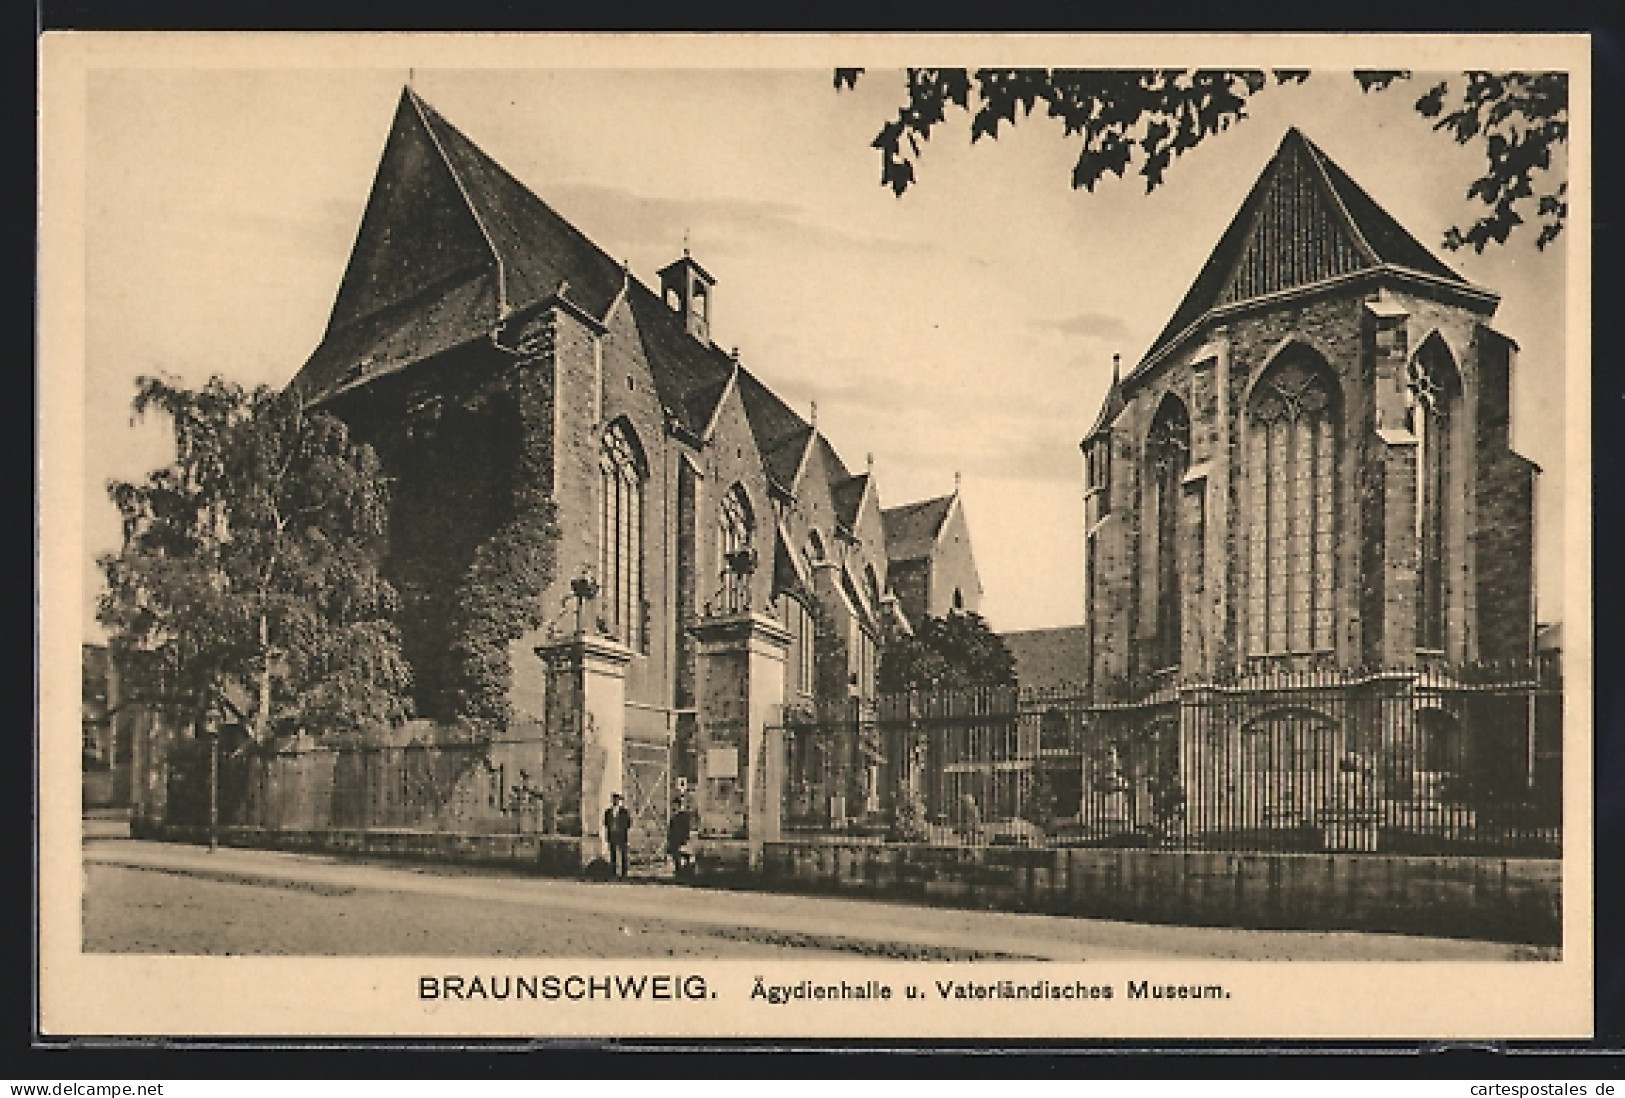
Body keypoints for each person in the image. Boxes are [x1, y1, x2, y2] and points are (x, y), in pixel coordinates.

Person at [603, 792, 632, 879]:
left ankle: (624, 872)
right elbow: (605, 822)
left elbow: (628, 823)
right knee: (613, 854)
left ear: (619, 801)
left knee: (623, 853)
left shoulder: (624, 811)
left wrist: (622, 829)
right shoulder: (608, 811)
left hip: (621, 835)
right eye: (614, 800)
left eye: (617, 800)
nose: (615, 801)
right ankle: (613, 871)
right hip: (612, 834)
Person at [666, 802, 694, 879]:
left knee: (680, 854)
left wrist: (685, 837)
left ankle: (684, 869)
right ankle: (680, 869)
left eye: (675, 806)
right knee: (676, 854)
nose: (673, 808)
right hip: (675, 839)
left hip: (679, 838)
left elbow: (686, 828)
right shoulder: (676, 818)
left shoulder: (683, 817)